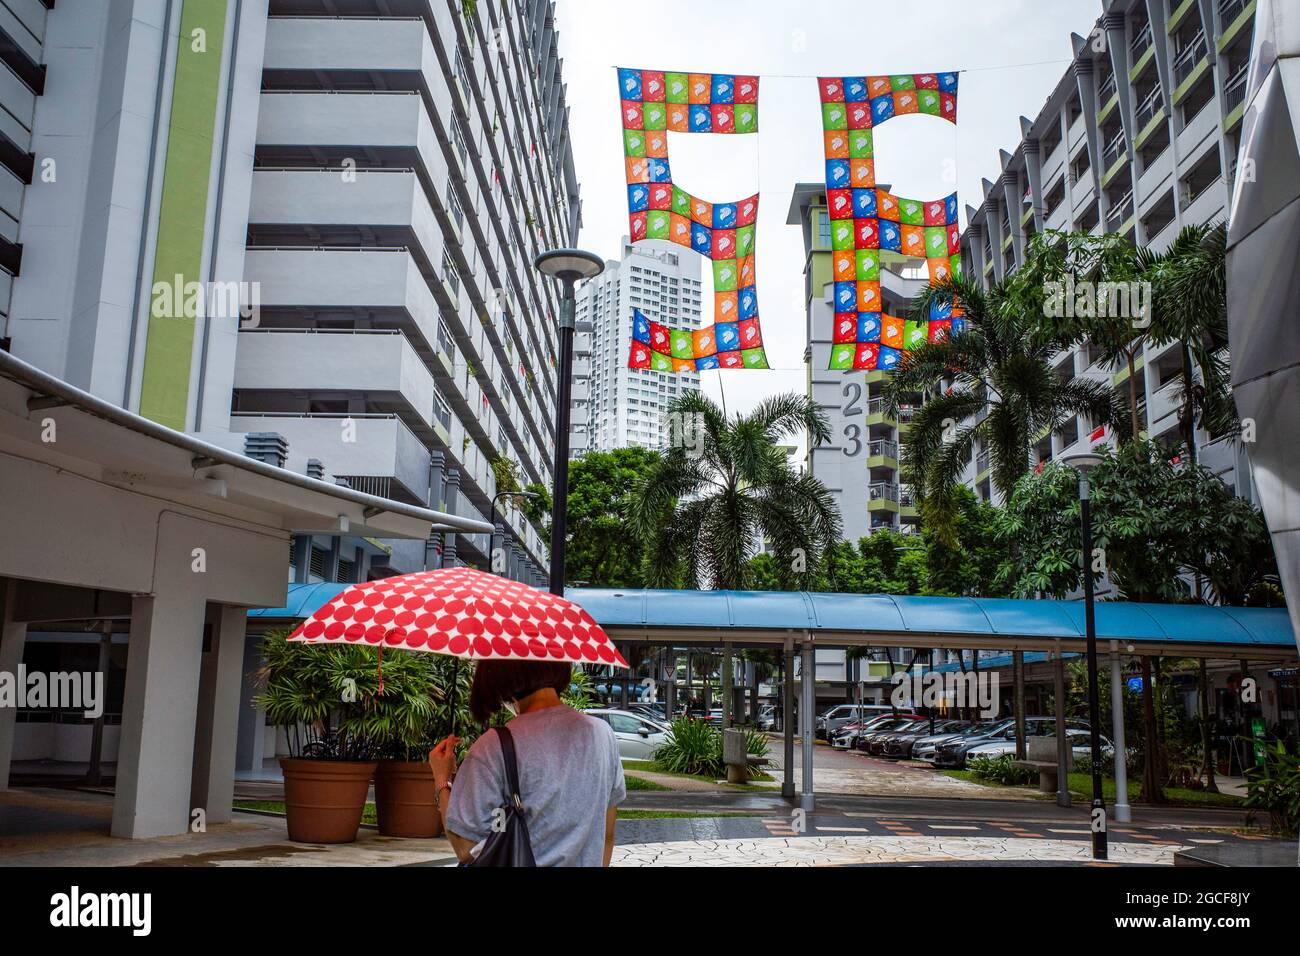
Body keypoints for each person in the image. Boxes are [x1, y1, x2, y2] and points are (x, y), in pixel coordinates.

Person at [428, 659, 626, 867]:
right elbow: (607, 834)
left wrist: (442, 780)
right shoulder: (602, 735)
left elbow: (466, 848)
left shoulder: (492, 747)